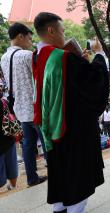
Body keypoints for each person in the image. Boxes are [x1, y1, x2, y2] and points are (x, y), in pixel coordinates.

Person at [32, 12, 109, 212]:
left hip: (52, 128)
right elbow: (94, 82)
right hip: (72, 132)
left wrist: (79, 62)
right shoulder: (62, 57)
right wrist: (99, 55)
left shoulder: (39, 56)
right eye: (62, 31)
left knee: (60, 177)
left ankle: (59, 209)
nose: (64, 36)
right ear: (51, 30)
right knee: (77, 184)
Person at [0, 22, 47, 187]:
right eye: (29, 37)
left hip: (19, 110)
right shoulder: (28, 55)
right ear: (20, 35)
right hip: (36, 108)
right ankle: (58, 174)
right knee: (47, 142)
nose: (30, 41)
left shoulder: (3, 58)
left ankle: (32, 178)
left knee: (28, 145)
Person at [0, 96, 18, 191]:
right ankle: (12, 186)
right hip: (8, 139)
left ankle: (12, 186)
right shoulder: (4, 101)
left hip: (7, 141)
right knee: (12, 169)